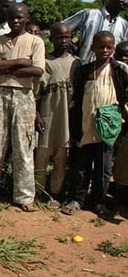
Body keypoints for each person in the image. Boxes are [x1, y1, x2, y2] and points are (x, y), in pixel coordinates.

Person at [0, 2, 45, 212]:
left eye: (19, 17)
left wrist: (5, 66)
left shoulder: (35, 41)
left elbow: (38, 70)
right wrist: (21, 62)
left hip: (24, 96)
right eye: (11, 17)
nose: (15, 21)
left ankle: (24, 197)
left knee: (23, 146)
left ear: (27, 18)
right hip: (0, 94)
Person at [63, 31, 128, 218]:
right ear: (92, 48)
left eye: (109, 47)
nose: (105, 51)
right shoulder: (85, 70)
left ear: (113, 49)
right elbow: (77, 99)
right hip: (85, 125)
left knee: (103, 168)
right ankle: (77, 199)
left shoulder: (119, 70)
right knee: (81, 166)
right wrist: (74, 127)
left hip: (107, 129)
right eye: (101, 47)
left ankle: (98, 201)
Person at [34, 22, 80, 208]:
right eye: (59, 37)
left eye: (67, 37)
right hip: (48, 117)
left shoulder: (76, 63)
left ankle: (55, 193)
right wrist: (37, 115)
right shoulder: (45, 62)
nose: (63, 41)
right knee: (42, 158)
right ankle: (38, 191)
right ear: (51, 38)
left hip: (66, 121)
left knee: (61, 160)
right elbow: (36, 93)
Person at [63, 0, 128, 64]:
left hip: (107, 70)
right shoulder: (88, 15)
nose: (126, 2)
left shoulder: (124, 26)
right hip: (82, 67)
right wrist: (74, 48)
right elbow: (58, 29)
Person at [112, 41, 128, 204]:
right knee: (120, 162)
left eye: (126, 56)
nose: (122, 59)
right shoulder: (113, 72)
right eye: (119, 56)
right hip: (115, 124)